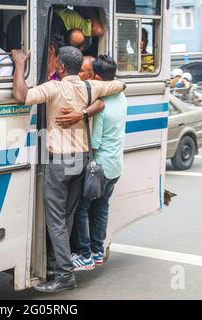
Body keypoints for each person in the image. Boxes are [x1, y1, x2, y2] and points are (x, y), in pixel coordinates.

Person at [11, 46, 125, 293]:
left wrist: (19, 63)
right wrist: (84, 112)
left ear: (61, 67)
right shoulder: (90, 87)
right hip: (81, 161)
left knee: (55, 220)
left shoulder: (53, 88)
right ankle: (55, 266)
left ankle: (64, 275)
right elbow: (120, 85)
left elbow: (21, 95)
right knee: (67, 217)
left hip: (60, 162)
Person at [70, 54, 127, 270]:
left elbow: (94, 143)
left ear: (97, 77)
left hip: (99, 167)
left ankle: (85, 255)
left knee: (82, 209)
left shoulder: (101, 104)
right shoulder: (122, 97)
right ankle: (97, 251)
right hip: (115, 165)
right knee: (102, 208)